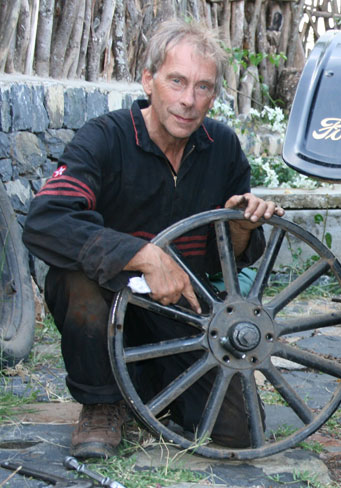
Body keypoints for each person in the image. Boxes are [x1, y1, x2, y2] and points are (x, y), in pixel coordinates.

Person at [23, 19, 285, 459]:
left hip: (183, 315)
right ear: (149, 80)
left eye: (203, 87)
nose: (188, 100)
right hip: (108, 305)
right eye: (177, 81)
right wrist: (142, 255)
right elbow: (46, 220)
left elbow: (228, 262)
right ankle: (102, 402)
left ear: (214, 95)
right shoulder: (105, 139)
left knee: (237, 430)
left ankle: (146, 393)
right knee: (76, 281)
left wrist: (241, 228)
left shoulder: (221, 147)